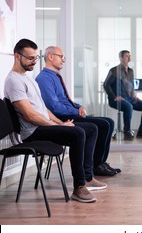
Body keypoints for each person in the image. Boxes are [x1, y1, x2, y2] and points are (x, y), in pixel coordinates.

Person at [3, 38, 107, 203]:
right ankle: (79, 186)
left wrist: (60, 123)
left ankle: (88, 177)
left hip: (42, 126)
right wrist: (57, 125)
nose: (34, 62)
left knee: (91, 128)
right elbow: (30, 116)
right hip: (32, 132)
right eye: (30, 58)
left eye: (36, 58)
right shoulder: (13, 81)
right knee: (77, 133)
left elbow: (44, 110)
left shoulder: (28, 78)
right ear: (17, 56)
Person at [36, 46, 121, 177]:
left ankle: (100, 162)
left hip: (68, 113)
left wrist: (79, 106)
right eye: (61, 57)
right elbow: (53, 107)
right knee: (103, 125)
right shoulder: (44, 79)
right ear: (51, 57)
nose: (63, 60)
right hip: (61, 117)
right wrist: (75, 111)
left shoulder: (55, 76)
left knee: (109, 121)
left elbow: (64, 100)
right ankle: (96, 165)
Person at [103, 50, 142, 141]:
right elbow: (106, 84)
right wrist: (114, 97)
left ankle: (141, 131)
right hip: (116, 100)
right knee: (128, 107)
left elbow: (130, 85)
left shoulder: (130, 71)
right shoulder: (114, 70)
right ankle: (127, 132)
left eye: (130, 56)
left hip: (129, 98)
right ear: (121, 58)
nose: (129, 58)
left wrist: (134, 94)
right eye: (126, 56)